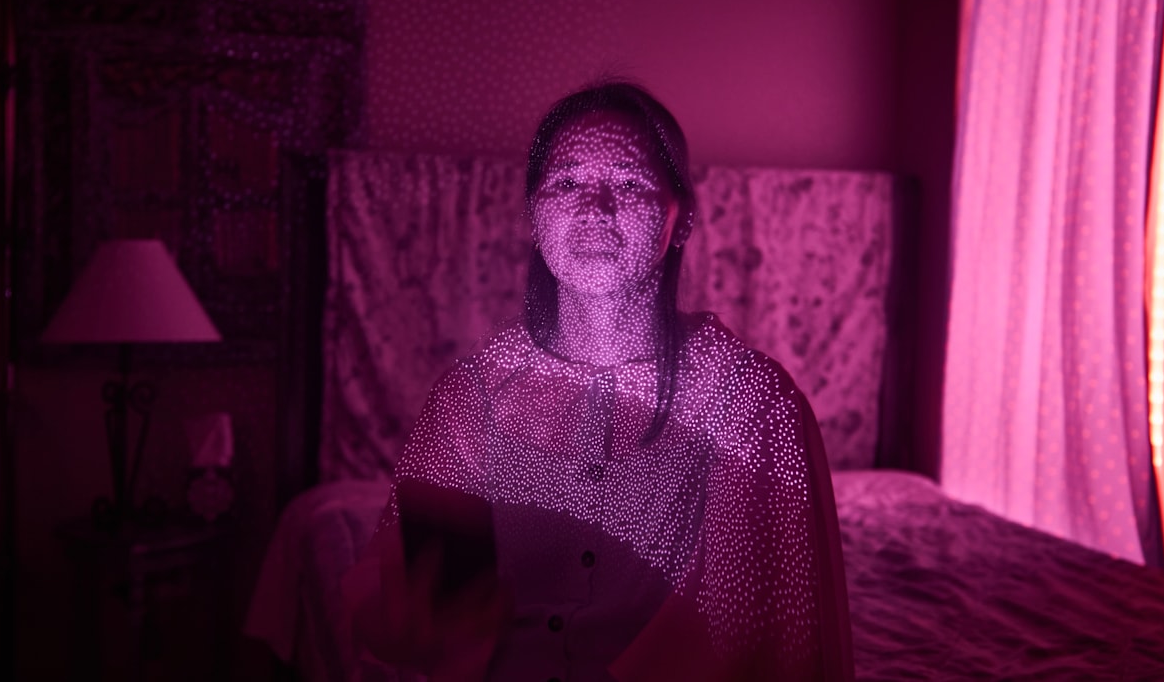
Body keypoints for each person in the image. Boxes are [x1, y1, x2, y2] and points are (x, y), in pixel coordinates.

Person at [342, 80, 853, 681]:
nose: (594, 209)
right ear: (534, 217)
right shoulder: (473, 397)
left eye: (631, 183)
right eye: (566, 183)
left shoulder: (751, 401)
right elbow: (430, 620)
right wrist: (433, 597)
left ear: (682, 218)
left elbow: (747, 634)